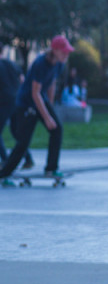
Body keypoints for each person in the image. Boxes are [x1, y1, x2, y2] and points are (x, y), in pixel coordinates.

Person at [0, 35, 73, 182]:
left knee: (57, 128)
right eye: (64, 52)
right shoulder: (41, 63)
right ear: (55, 50)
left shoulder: (59, 64)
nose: (67, 55)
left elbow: (51, 83)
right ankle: (4, 173)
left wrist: (50, 108)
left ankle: (51, 168)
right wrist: (47, 117)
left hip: (41, 100)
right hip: (26, 104)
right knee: (23, 142)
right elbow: (35, 92)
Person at [0, 55, 23, 163]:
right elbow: (22, 79)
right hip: (17, 99)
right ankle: (28, 159)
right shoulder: (11, 63)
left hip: (5, 101)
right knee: (16, 131)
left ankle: (6, 161)